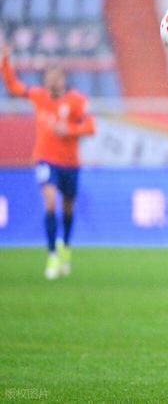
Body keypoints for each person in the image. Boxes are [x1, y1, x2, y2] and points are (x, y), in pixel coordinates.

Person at [1, 46, 96, 280]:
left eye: (55, 78)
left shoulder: (77, 101)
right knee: (51, 202)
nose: (50, 82)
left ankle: (65, 246)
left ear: (63, 79)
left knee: (68, 208)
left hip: (70, 164)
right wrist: (5, 62)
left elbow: (91, 127)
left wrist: (70, 130)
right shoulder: (39, 96)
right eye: (48, 78)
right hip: (46, 159)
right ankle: (52, 253)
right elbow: (14, 87)